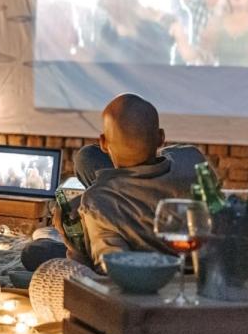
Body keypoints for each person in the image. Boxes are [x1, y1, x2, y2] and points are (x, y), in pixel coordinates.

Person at [19, 94, 204, 274]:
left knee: (34, 252)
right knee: (87, 157)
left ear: (104, 143)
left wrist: (75, 248)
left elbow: (112, 272)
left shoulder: (97, 203)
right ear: (161, 137)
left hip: (149, 262)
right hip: (177, 228)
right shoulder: (192, 158)